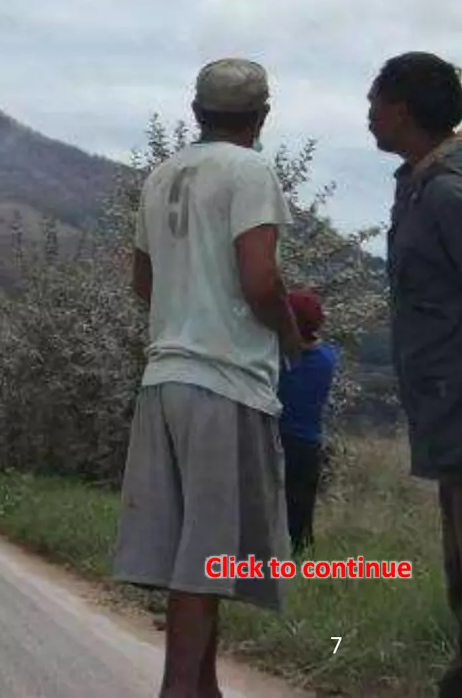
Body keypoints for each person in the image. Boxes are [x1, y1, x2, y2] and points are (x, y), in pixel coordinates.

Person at [114, 58, 302, 698]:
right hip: (225, 382)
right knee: (208, 556)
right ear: (262, 116)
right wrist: (289, 336)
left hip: (163, 376)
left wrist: (186, 311)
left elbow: (143, 282)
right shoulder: (251, 171)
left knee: (192, 550)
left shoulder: (161, 175)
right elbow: (260, 279)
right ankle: (178, 691)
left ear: (197, 112)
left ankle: (205, 687)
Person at [368, 52, 462, 698]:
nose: (367, 116)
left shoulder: (453, 193)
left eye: (375, 103)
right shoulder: (429, 182)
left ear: (402, 110)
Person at [277, 288, 337, 556]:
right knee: (301, 514)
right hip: (309, 445)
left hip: (277, 440)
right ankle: (301, 563)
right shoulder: (328, 358)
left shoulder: (278, 358)